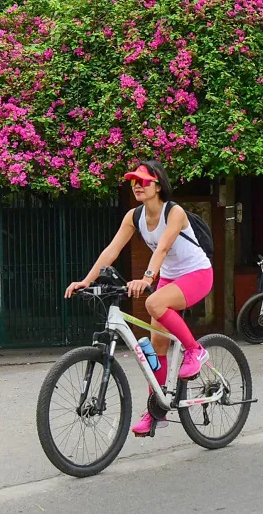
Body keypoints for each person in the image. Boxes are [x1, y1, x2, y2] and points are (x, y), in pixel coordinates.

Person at [65, 160, 213, 436]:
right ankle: (157, 411)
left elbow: (164, 247)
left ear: (158, 185)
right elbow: (112, 250)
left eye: (143, 181)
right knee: (156, 349)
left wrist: (146, 279)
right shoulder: (134, 217)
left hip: (197, 274)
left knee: (153, 303)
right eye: (133, 181)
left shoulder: (175, 212)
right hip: (169, 278)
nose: (136, 186)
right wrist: (86, 281)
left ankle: (195, 350)